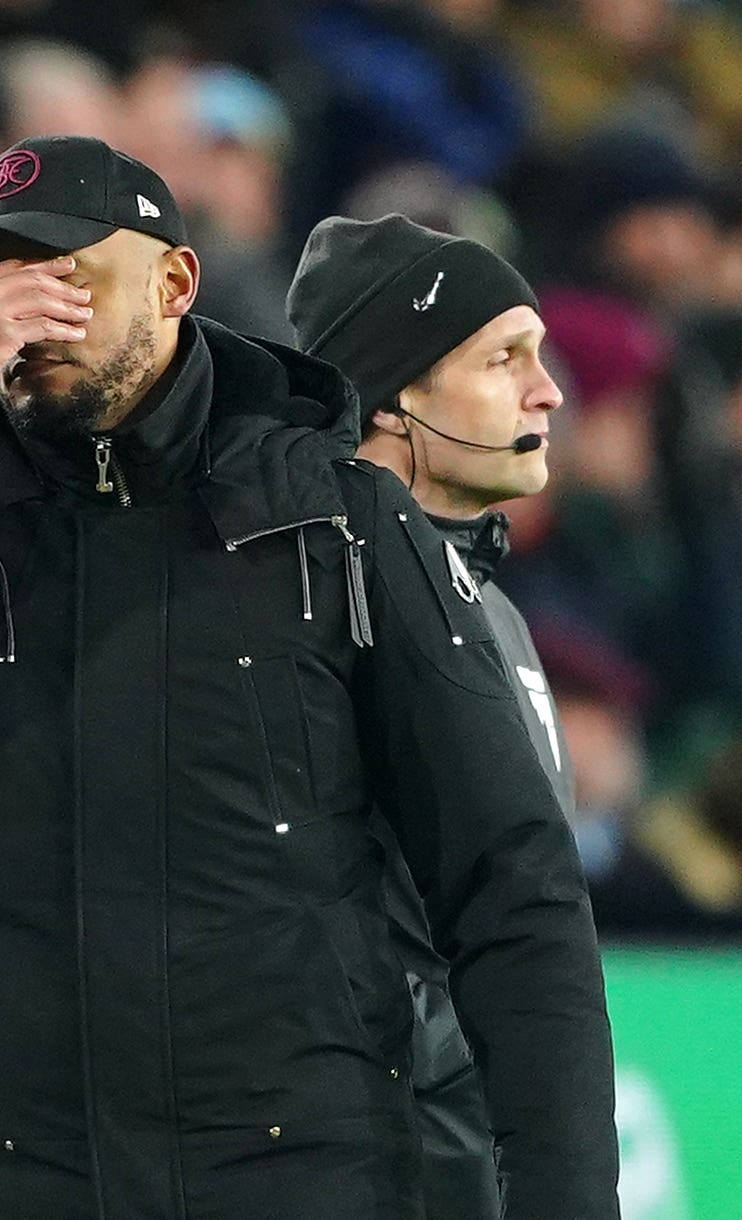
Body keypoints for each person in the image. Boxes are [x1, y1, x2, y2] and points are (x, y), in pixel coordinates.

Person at [0, 134, 618, 1219]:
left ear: (173, 282)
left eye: (64, 272)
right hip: (20, 1179)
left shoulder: (332, 512)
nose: (25, 310)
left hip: (300, 1178)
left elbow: (512, 884)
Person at [285, 212, 575, 1218]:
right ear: (398, 393)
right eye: (506, 358)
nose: (550, 393)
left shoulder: (489, 606)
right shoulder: (303, 607)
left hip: (468, 1160)